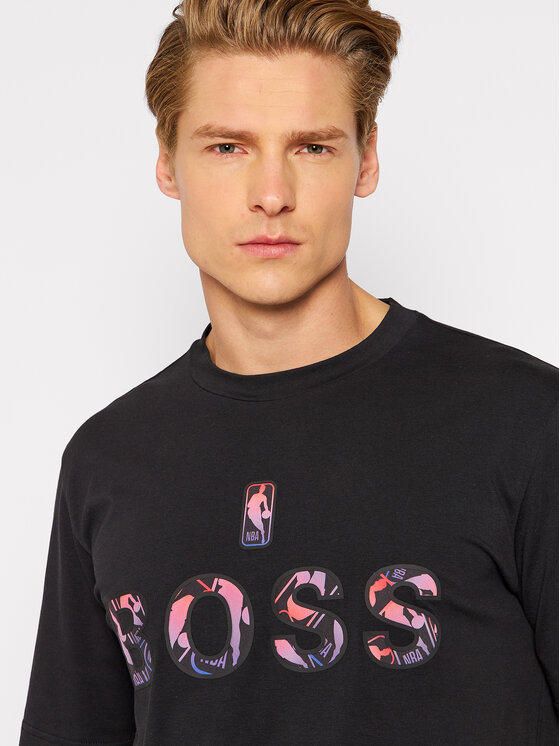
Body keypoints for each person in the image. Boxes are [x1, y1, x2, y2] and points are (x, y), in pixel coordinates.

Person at [19, 0, 558, 744]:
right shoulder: (108, 461)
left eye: (311, 147)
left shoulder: (526, 421)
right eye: (227, 147)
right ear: (166, 162)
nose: (271, 194)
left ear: (366, 159)